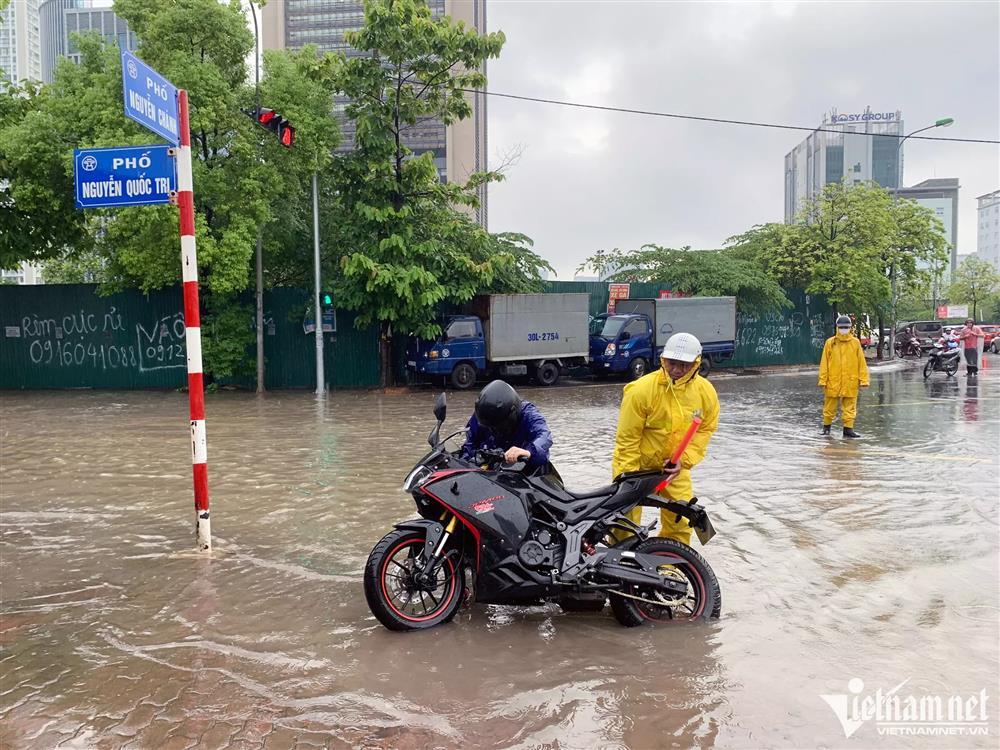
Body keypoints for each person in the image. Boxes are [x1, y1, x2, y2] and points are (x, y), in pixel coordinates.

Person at [611, 333, 720, 546]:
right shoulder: (641, 390)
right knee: (623, 522)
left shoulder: (705, 392)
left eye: (684, 364)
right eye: (672, 363)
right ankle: (618, 566)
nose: (677, 370)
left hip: (675, 469)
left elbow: (706, 428)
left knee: (681, 520)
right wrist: (628, 478)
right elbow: (627, 439)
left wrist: (684, 460)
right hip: (636, 467)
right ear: (663, 360)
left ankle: (669, 568)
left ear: (696, 364)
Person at [460, 380, 552, 471]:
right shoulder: (483, 415)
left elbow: (544, 436)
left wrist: (528, 452)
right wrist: (469, 462)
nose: (493, 431)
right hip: (489, 469)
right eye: (489, 427)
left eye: (497, 426)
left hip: (523, 468)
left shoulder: (529, 415)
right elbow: (470, 444)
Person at [819, 315, 869, 438]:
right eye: (841, 327)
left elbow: (861, 363)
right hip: (833, 380)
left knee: (850, 406)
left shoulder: (855, 343)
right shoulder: (830, 343)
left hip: (850, 380)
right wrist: (823, 380)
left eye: (846, 327)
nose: (844, 329)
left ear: (850, 328)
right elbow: (824, 363)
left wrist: (864, 380)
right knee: (829, 406)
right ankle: (826, 428)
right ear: (837, 327)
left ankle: (848, 429)